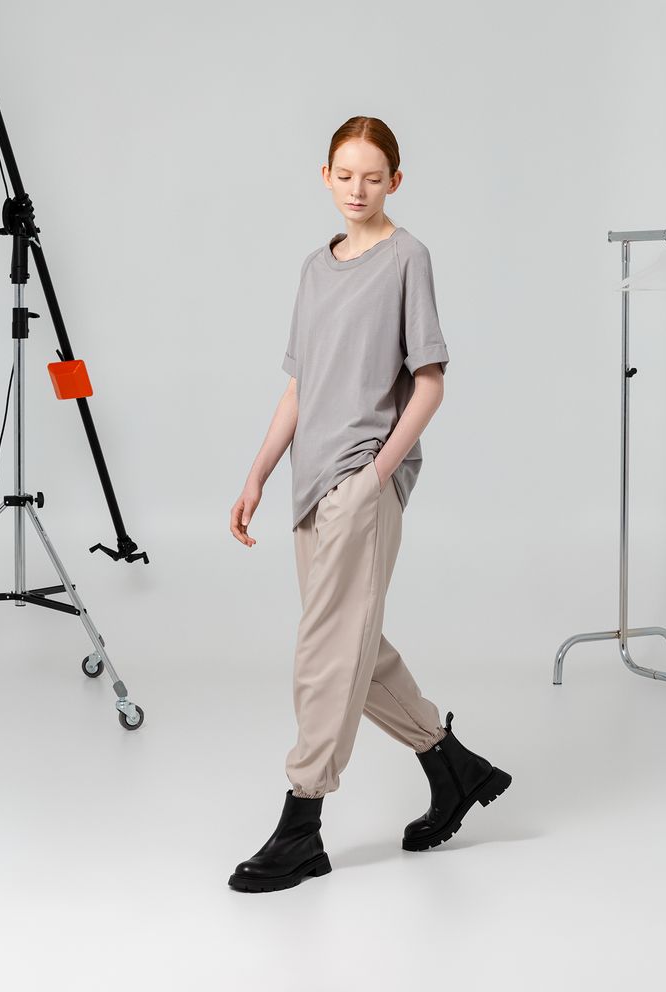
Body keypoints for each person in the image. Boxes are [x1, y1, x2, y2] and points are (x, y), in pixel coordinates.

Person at [228, 116, 511, 893]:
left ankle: (302, 822)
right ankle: (453, 767)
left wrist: (378, 473)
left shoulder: (407, 257)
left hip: (360, 481)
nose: (358, 189)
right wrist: (258, 473)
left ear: (395, 181)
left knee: (325, 649)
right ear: (325, 176)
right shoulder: (313, 268)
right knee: (353, 642)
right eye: (345, 175)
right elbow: (300, 386)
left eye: (374, 177)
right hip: (308, 482)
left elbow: (431, 382)